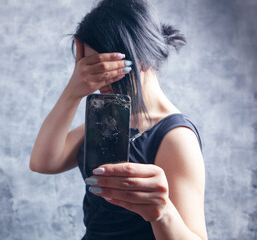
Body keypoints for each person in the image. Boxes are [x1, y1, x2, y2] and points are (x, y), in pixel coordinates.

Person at [30, 0, 208, 239]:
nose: (95, 81)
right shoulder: (110, 115)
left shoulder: (176, 138)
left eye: (104, 68)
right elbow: (43, 162)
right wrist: (73, 90)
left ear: (141, 58)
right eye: (88, 69)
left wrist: (163, 212)